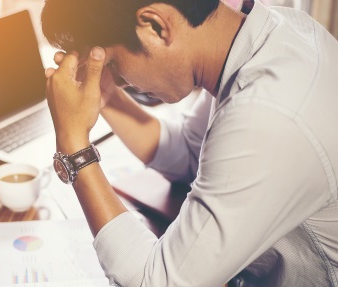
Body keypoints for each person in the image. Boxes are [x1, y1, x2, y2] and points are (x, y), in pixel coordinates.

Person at [42, 0, 338, 285]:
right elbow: (187, 153)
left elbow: (155, 281)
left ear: (156, 26)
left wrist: (73, 145)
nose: (119, 80)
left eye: (115, 64)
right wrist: (106, 96)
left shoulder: (268, 114)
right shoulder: (270, 34)